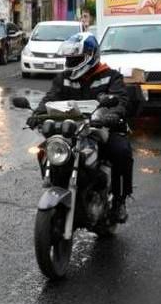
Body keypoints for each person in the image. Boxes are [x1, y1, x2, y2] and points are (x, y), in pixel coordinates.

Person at [30, 32, 134, 222]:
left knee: (121, 151)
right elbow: (50, 98)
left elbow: (120, 100)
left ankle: (119, 201)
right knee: (45, 148)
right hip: (72, 129)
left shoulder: (111, 77)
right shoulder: (64, 78)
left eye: (75, 58)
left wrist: (112, 114)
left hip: (102, 128)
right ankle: (56, 183)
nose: (71, 62)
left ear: (90, 56)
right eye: (69, 58)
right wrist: (36, 114)